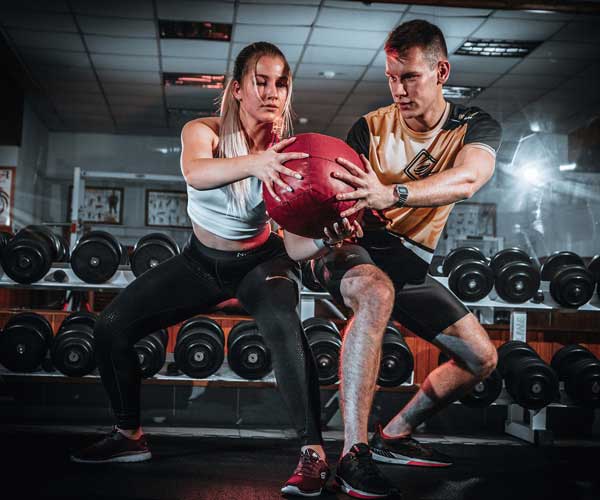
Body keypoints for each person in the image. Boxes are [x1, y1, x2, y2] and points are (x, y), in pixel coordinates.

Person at [70, 41, 358, 498]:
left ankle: (314, 455)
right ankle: (129, 436)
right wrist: (257, 163)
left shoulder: (288, 153)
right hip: (200, 263)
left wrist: (329, 236)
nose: (272, 92)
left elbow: (295, 245)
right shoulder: (203, 132)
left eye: (281, 83)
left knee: (285, 326)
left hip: (261, 263)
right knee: (109, 328)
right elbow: (196, 172)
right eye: (260, 81)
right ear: (237, 89)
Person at [306, 19, 502, 499]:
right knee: (376, 292)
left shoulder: (473, 127)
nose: (398, 89)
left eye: (410, 76)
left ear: (441, 72)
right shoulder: (370, 128)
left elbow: (468, 179)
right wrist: (338, 218)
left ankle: (394, 434)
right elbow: (341, 197)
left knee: (480, 358)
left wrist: (391, 193)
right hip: (353, 249)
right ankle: (353, 456)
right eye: (391, 77)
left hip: (407, 261)